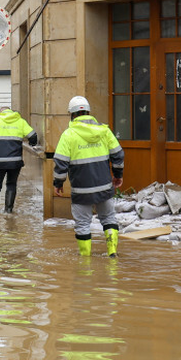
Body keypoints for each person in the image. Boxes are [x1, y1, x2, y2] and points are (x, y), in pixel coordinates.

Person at [52, 96, 124, 257]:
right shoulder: (104, 131)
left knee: (83, 224)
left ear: (71, 115)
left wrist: (58, 183)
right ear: (88, 112)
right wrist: (118, 175)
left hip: (81, 190)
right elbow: (118, 155)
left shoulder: (68, 135)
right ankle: (112, 252)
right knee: (109, 218)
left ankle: (85, 260)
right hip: (104, 187)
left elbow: (61, 163)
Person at [0, 106, 38, 214]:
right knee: (11, 184)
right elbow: (33, 136)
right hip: (15, 162)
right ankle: (8, 211)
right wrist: (32, 144)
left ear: (1, 112)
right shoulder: (21, 122)